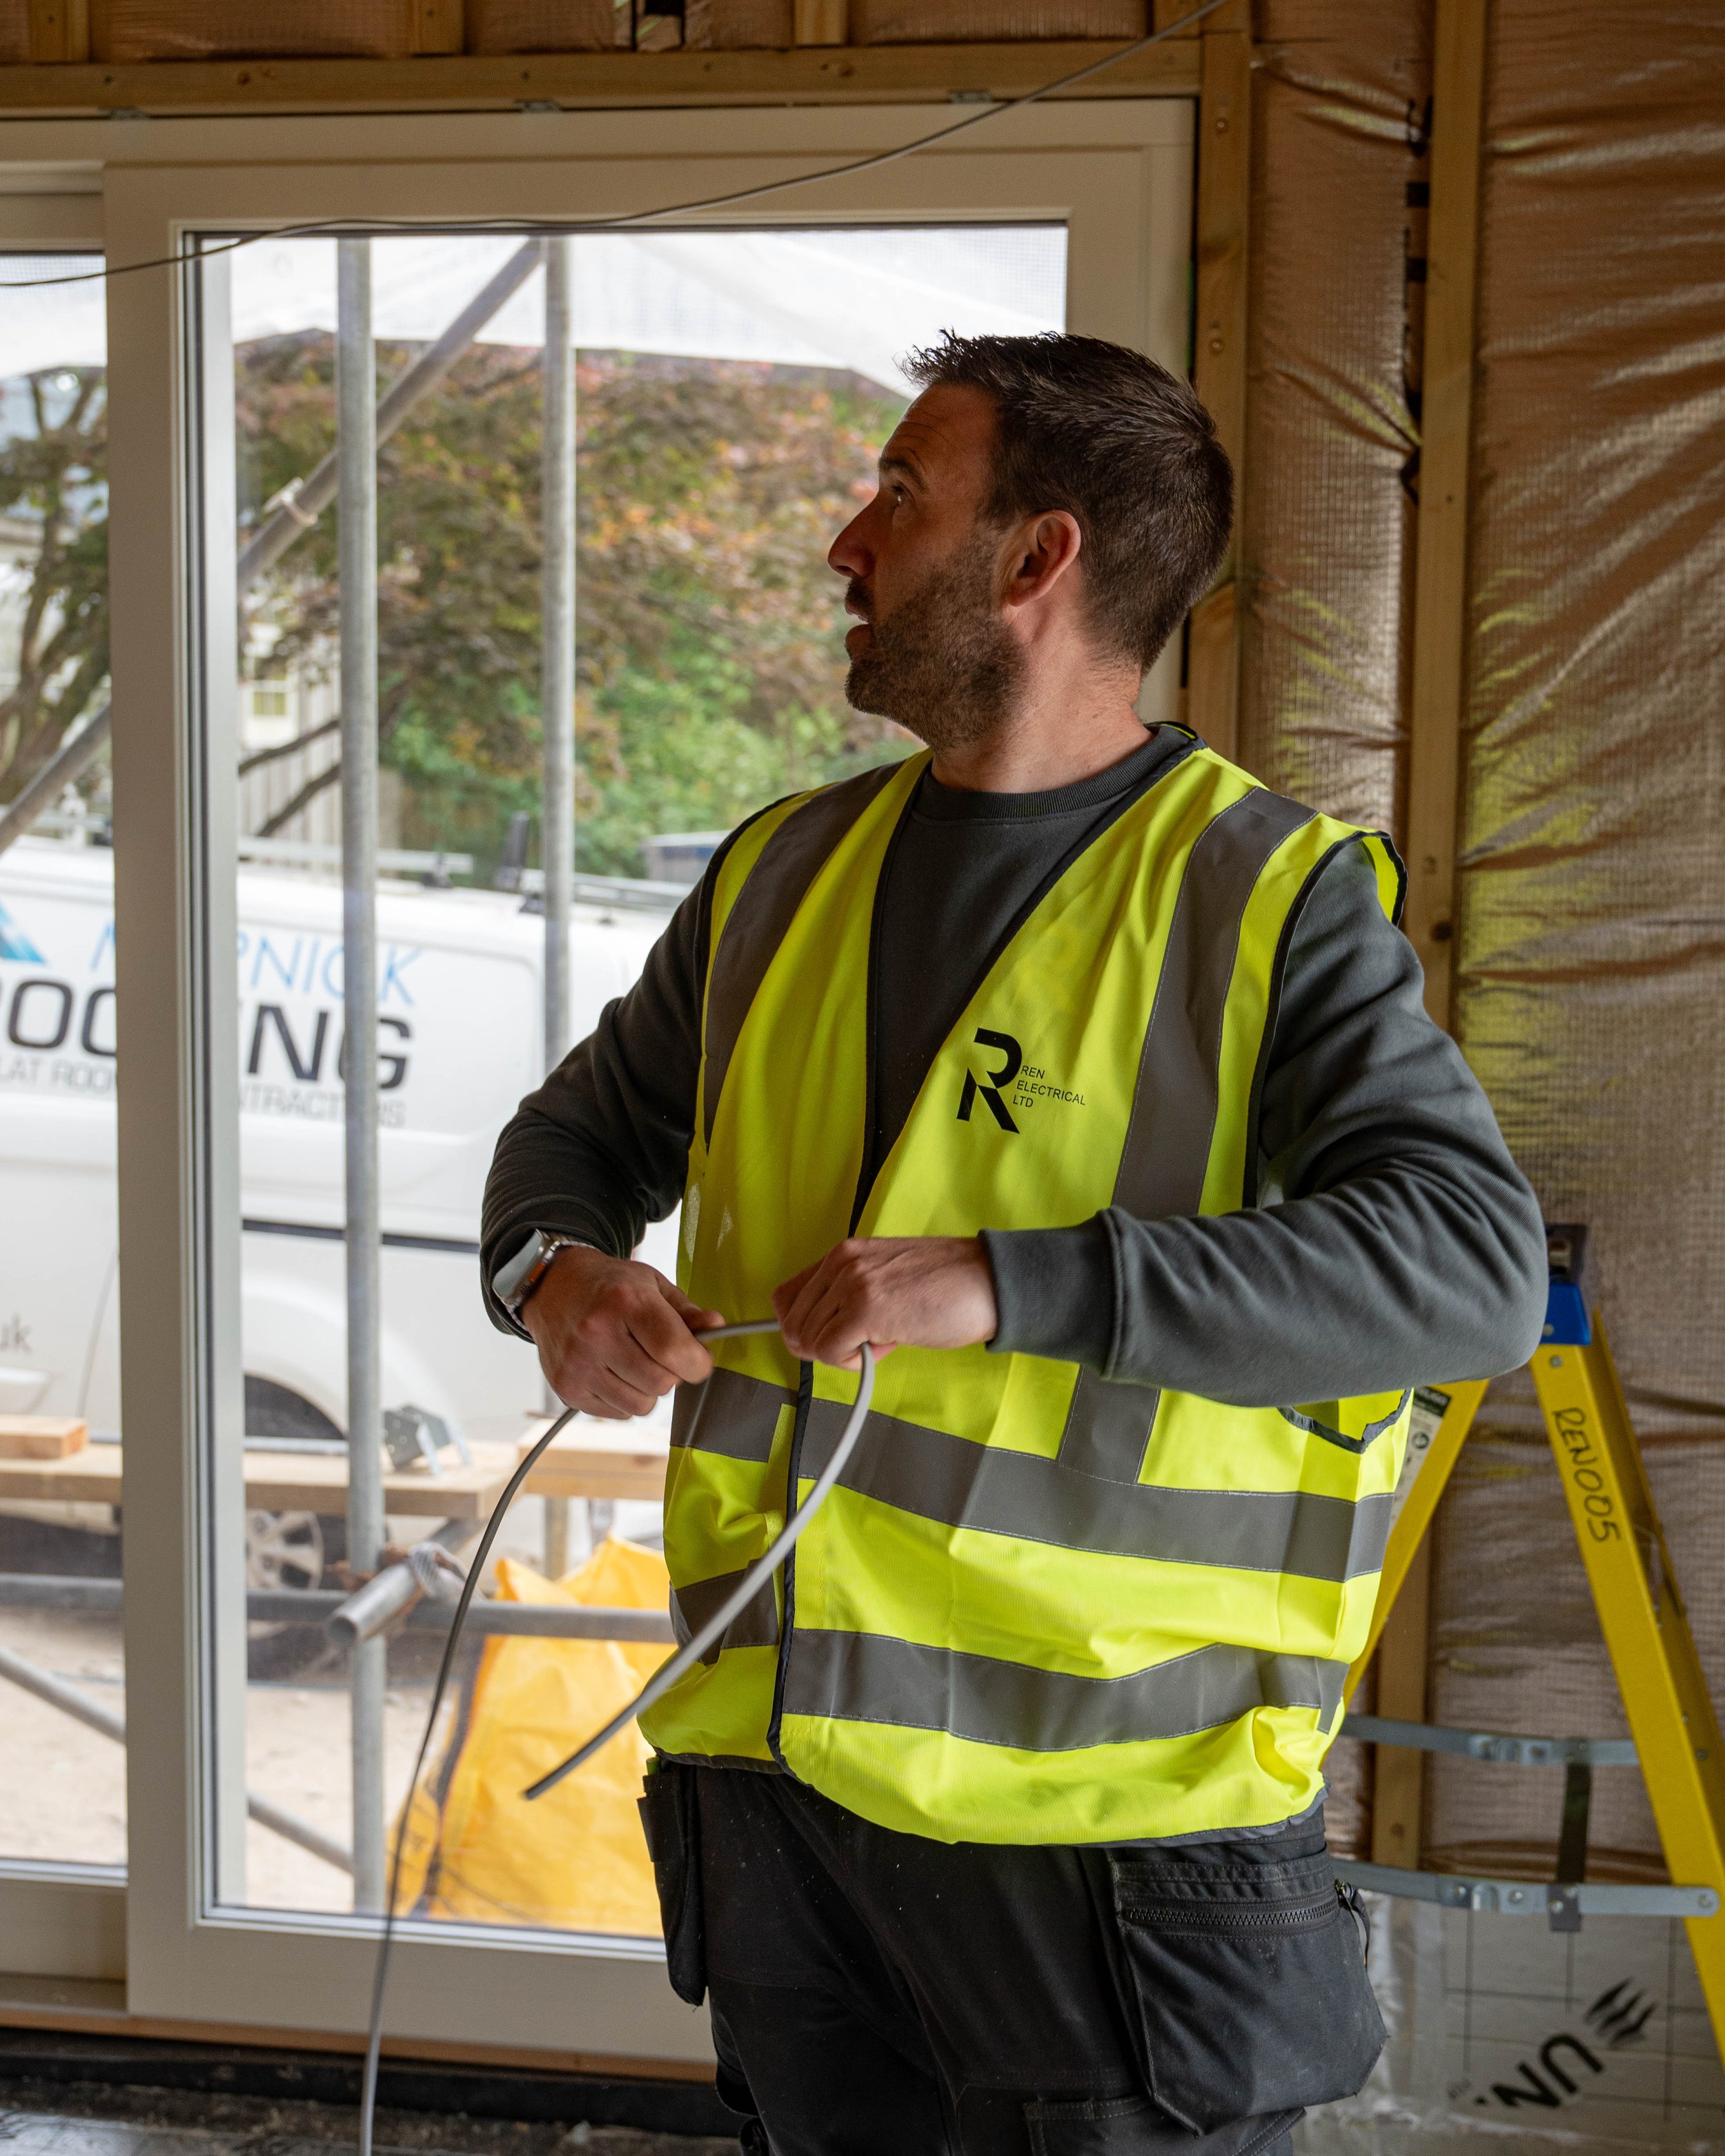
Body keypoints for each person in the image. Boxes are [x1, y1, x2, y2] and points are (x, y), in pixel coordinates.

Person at [482, 332, 1548, 2156]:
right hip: (783, 1800)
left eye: (898, 493)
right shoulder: (774, 875)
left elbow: (1465, 1265)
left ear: (1034, 560)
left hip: (1113, 1850)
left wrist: (1011, 1279)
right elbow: (571, 1145)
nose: (845, 543)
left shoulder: (1261, 899)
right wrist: (559, 1275)